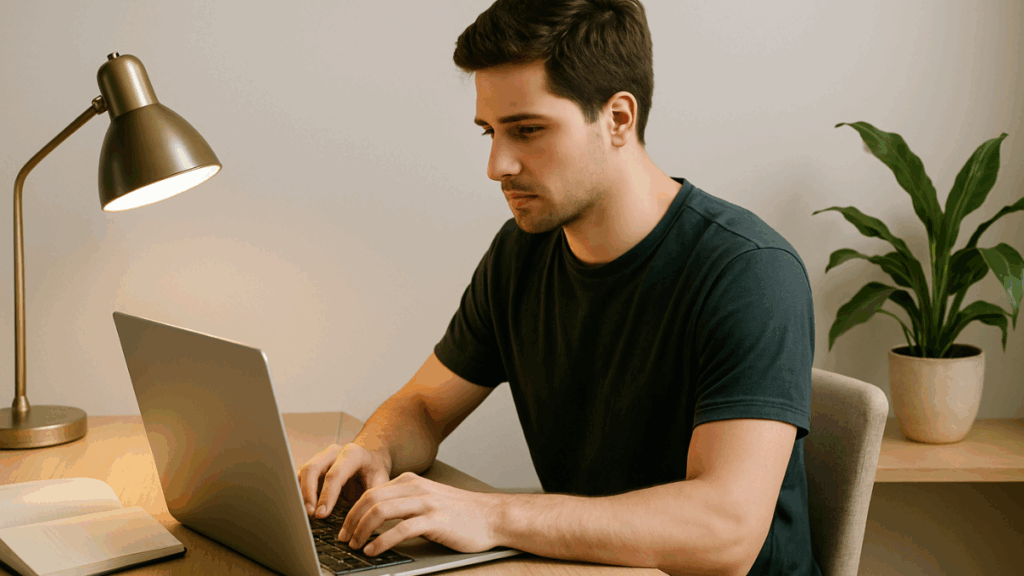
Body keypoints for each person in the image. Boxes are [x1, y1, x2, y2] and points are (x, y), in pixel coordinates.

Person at [298, 1, 820, 574]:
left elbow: (725, 531)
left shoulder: (748, 271)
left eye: (528, 130)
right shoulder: (522, 251)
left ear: (619, 118)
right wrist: (374, 448)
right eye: (490, 133)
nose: (498, 165)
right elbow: (424, 404)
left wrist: (493, 516)